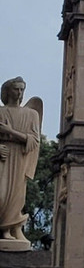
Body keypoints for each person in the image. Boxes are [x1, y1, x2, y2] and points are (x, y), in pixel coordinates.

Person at [0, 77, 42, 251]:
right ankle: (4, 228)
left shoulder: (32, 114)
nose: (19, 93)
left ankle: (14, 229)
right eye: (16, 89)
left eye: (22, 90)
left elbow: (34, 141)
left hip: (21, 157)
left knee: (18, 195)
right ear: (8, 91)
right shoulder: (1, 112)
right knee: (2, 194)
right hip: (3, 157)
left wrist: (10, 132)